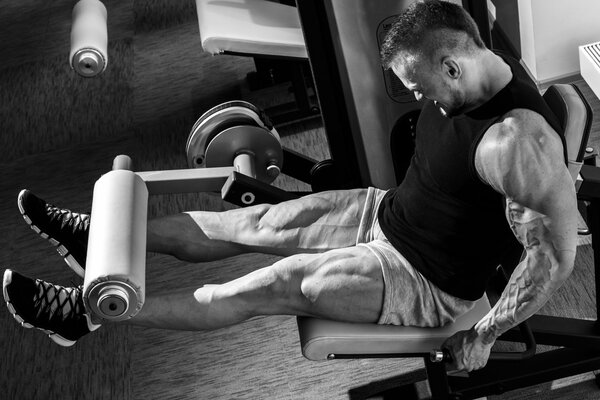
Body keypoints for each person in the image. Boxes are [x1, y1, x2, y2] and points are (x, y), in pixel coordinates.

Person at [3, 0, 577, 373]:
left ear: (452, 66)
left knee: (267, 285)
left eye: (420, 88)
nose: (418, 99)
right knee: (254, 223)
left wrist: (484, 332)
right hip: (388, 213)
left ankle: (85, 312)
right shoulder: (471, 65)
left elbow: (553, 258)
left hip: (424, 280)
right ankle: (98, 238)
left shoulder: (518, 144)